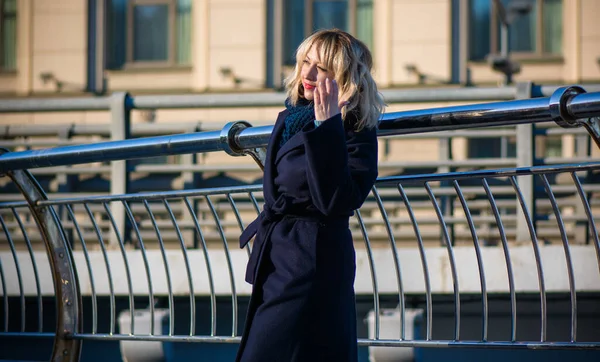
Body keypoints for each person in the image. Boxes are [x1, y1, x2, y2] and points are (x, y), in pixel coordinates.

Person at [236, 28, 385, 362]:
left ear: (344, 77)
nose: (307, 73)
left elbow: (338, 200)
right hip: (280, 257)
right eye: (305, 62)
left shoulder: (354, 126)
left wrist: (328, 126)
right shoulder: (292, 117)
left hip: (312, 262)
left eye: (321, 68)